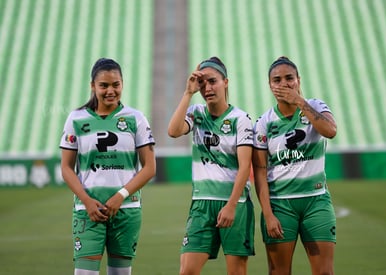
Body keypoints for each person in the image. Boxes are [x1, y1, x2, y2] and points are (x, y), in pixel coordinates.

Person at [60, 58, 156, 275]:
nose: (110, 91)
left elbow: (149, 167)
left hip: (126, 210)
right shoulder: (76, 119)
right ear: (93, 86)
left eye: (116, 85)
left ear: (122, 84)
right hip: (88, 211)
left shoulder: (136, 118)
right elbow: (66, 168)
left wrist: (120, 195)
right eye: (104, 85)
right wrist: (87, 201)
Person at [168, 56, 255, 275]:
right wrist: (188, 93)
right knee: (187, 270)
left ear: (226, 82)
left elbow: (245, 167)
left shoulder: (240, 119)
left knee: (236, 272)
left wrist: (231, 206)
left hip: (236, 203)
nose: (207, 88)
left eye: (213, 81)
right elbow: (173, 131)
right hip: (202, 204)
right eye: (203, 83)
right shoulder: (196, 113)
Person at [252, 56, 337, 275]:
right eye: (277, 80)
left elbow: (330, 131)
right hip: (281, 206)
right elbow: (260, 171)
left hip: (316, 202)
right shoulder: (263, 122)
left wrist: (300, 102)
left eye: (289, 78)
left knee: (324, 272)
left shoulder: (314, 106)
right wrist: (268, 214)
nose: (284, 84)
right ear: (270, 86)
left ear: (298, 80)